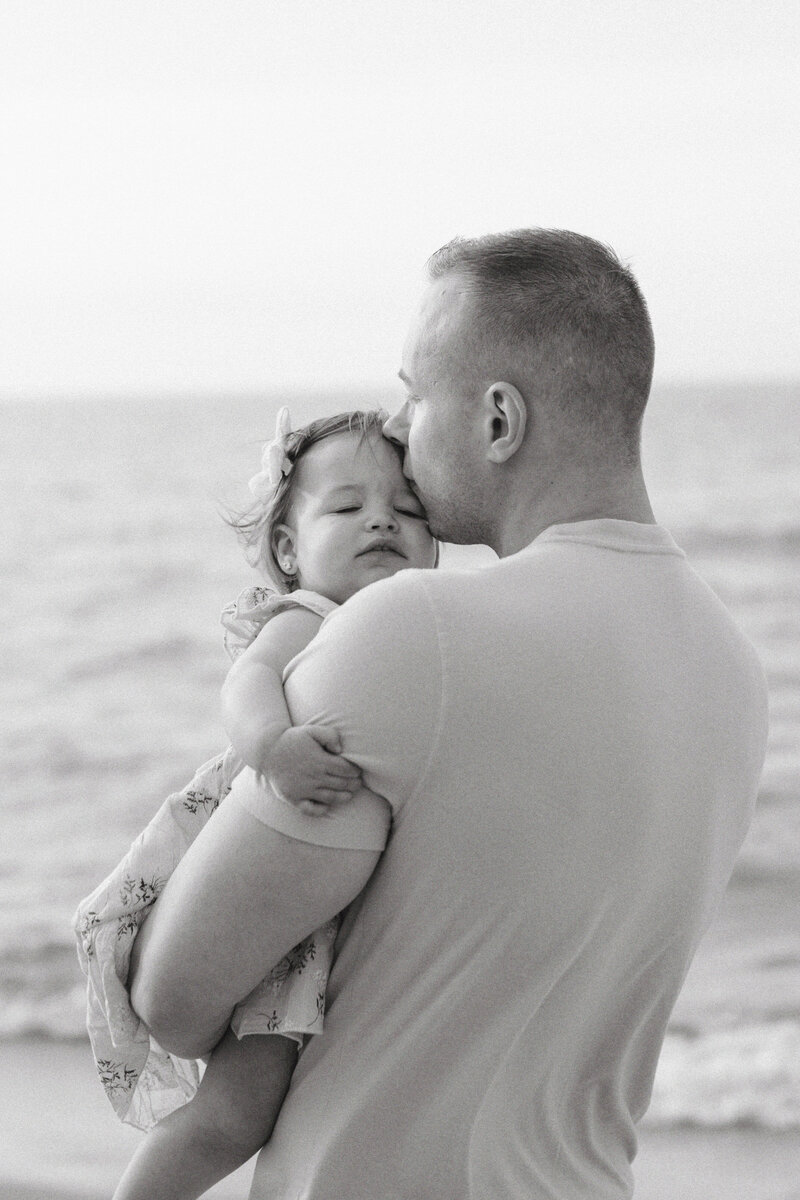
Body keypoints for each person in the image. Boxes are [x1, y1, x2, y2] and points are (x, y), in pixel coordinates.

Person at [128, 229, 769, 1199]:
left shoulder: (412, 632)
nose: (398, 423)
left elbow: (175, 1000)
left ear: (498, 419)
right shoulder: (731, 668)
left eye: (415, 393)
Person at [74, 409, 437, 1199]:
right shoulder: (308, 616)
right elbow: (245, 684)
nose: (383, 518)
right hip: (265, 884)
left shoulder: (411, 630)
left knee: (251, 1104)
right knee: (239, 1113)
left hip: (307, 917)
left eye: (410, 511)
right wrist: (273, 745)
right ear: (286, 550)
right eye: (346, 508)